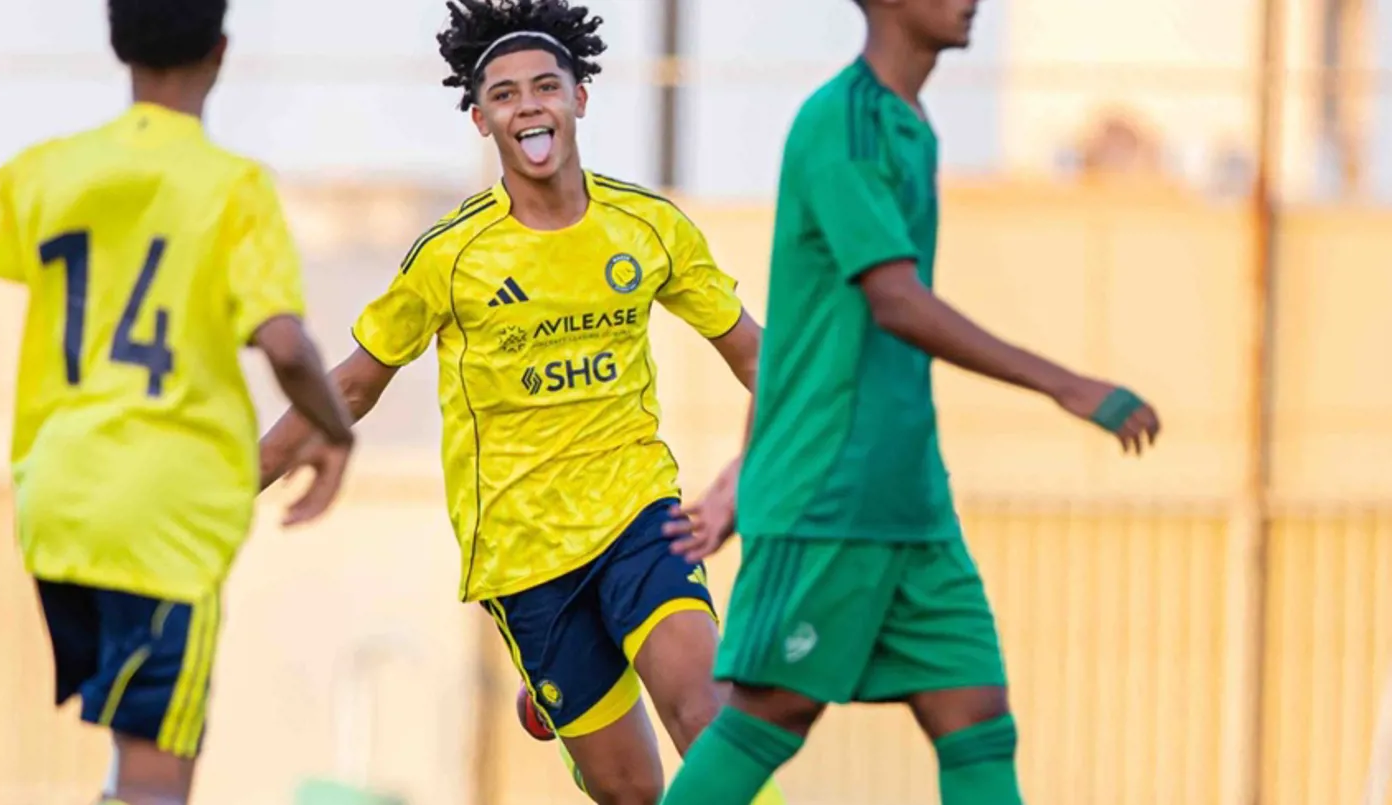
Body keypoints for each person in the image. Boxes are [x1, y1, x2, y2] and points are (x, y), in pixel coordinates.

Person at [255, 2, 781, 803]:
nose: (528, 105)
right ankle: (565, 713)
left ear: (579, 99)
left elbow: (760, 359)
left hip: (639, 513)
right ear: (480, 119)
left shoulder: (647, 228)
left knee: (710, 715)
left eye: (545, 86)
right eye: (503, 94)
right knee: (632, 791)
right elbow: (354, 385)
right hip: (522, 551)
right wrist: (236, 480)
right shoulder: (450, 255)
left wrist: (758, 470)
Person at [658, 1, 1163, 804]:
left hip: (912, 501)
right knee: (769, 715)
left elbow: (808, 325)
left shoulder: (910, 126)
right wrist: (1067, 383)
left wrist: (737, 476)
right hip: (827, 494)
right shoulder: (844, 122)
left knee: (976, 715)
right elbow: (891, 299)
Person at [0, 2, 357, 803]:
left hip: (58, 502)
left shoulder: (46, 170)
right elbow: (287, 346)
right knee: (159, 772)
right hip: (162, 512)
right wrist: (334, 432)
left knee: (132, 756)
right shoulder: (232, 188)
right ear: (220, 49)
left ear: (118, 42)